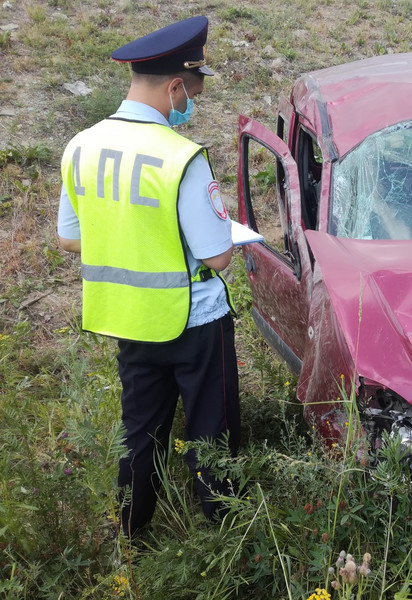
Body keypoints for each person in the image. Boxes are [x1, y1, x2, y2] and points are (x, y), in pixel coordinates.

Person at [57, 16, 240, 538]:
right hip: (196, 321)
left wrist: (133, 237)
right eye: (193, 94)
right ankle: (227, 542)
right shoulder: (182, 157)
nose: (190, 106)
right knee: (211, 436)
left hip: (130, 320)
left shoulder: (82, 146)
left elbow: (69, 236)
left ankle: (130, 537)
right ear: (176, 85)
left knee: (139, 437)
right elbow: (218, 257)